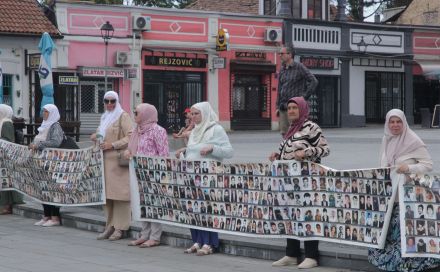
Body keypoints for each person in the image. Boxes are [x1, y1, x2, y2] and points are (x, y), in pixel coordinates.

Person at [368, 109, 440, 272]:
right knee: (389, 234)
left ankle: (410, 266)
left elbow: (428, 165)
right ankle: (389, 265)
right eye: (391, 122)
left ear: (404, 123)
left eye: (398, 121)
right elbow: (381, 164)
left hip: (407, 197)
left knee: (406, 234)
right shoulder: (386, 140)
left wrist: (409, 167)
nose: (395, 125)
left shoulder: (413, 140)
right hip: (390, 196)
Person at [269, 96, 329, 269]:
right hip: (289, 183)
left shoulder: (311, 127)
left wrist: (306, 152)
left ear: (302, 109)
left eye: (295, 108)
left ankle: (311, 256)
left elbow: (325, 149)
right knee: (290, 216)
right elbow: (286, 153)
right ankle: (291, 254)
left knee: (309, 215)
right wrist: (276, 156)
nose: (291, 111)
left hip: (308, 182)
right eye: (289, 109)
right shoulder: (290, 130)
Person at [175, 102, 233, 256]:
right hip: (192, 175)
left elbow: (228, 151)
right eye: (192, 114)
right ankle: (197, 240)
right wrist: (185, 150)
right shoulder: (194, 131)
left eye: (196, 114)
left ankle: (210, 243)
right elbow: (194, 149)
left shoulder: (216, 129)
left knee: (208, 208)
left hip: (209, 178)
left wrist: (212, 148)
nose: (193, 117)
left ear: (205, 113)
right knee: (193, 208)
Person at [125, 103, 169, 248]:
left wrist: (162, 175)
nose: (134, 115)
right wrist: (128, 152)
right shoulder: (137, 130)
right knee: (142, 203)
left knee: (154, 204)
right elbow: (133, 148)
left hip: (154, 175)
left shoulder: (158, 130)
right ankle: (144, 234)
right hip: (139, 173)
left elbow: (164, 154)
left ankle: (155, 237)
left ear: (146, 114)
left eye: (136, 112)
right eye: (134, 112)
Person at [91, 91, 132, 241]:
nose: (109, 104)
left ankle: (120, 228)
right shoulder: (104, 117)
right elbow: (101, 133)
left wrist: (113, 145)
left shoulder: (123, 116)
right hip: (104, 162)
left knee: (120, 196)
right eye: (106, 101)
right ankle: (109, 225)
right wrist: (95, 136)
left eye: (112, 101)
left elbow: (130, 136)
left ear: (117, 101)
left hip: (117, 161)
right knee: (106, 197)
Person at [30, 104, 64, 227]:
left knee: (52, 190)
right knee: (43, 189)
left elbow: (56, 142)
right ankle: (46, 216)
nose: (43, 114)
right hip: (42, 163)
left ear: (52, 113)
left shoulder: (55, 126)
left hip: (52, 163)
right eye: (43, 111)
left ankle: (55, 217)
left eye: (46, 112)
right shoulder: (44, 125)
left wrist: (38, 145)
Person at [276, 45, 318, 137]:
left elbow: (313, 81)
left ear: (289, 54)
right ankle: (287, 150)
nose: (280, 55)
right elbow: (280, 88)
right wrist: (277, 106)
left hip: (296, 107)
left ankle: (297, 150)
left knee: (296, 133)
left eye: (282, 53)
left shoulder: (299, 67)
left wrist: (304, 97)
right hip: (283, 107)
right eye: (279, 54)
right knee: (284, 133)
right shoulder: (282, 69)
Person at [0, 104, 23, 214]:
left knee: (6, 180)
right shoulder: (2, 122)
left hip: (6, 156)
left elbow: (7, 139)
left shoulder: (6, 123)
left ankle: (6, 205)